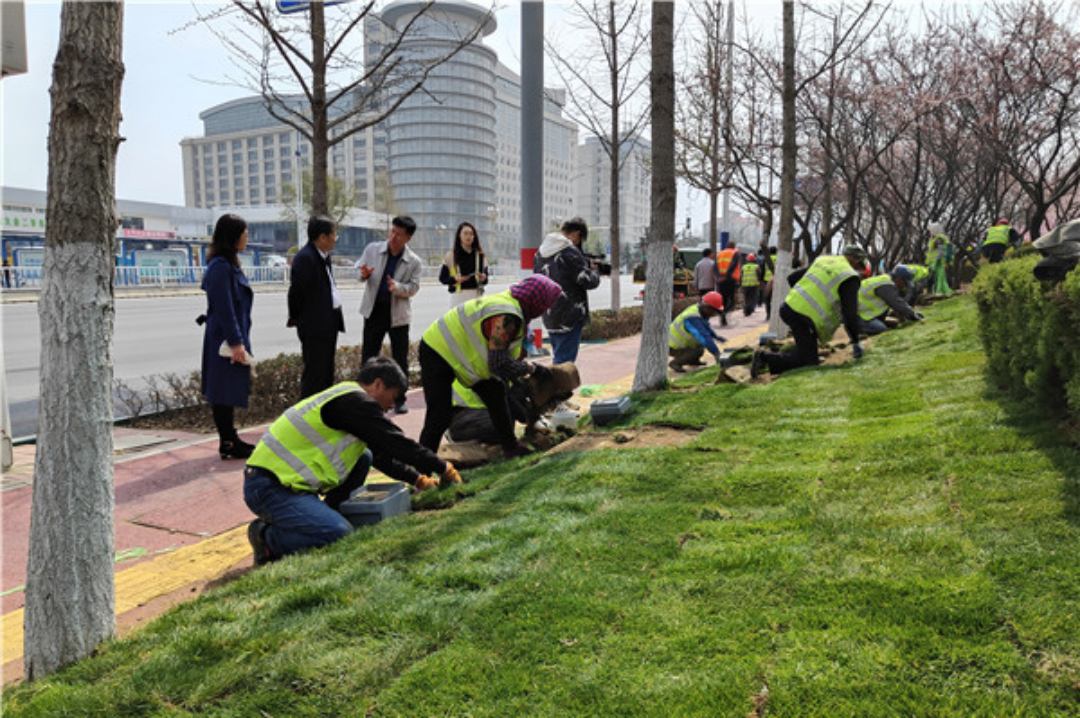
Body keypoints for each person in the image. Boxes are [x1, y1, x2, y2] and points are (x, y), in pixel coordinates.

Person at [243, 357, 462, 565]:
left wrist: (418, 479)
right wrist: (442, 467)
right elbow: (395, 442)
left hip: (287, 484)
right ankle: (266, 537)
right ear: (378, 384)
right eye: (393, 397)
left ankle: (328, 513)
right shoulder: (356, 402)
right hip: (270, 487)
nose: (391, 406)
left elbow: (380, 454)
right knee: (338, 534)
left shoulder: (348, 399)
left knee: (363, 457)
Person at [418, 274, 564, 456]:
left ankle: (510, 448)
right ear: (538, 302)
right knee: (438, 415)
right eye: (546, 305)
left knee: (496, 393)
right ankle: (422, 468)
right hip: (437, 350)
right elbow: (499, 363)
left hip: (463, 357)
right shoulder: (508, 317)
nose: (544, 311)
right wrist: (531, 369)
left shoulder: (511, 304)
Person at [751, 245, 868, 377]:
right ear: (855, 260)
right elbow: (850, 314)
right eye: (859, 263)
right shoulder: (849, 276)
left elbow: (792, 278)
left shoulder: (823, 261)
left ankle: (769, 361)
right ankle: (764, 358)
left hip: (789, 307)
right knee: (809, 361)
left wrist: (802, 298)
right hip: (804, 318)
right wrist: (856, 341)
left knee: (808, 352)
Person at [199, 213, 256, 460]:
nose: (247, 238)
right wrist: (235, 342)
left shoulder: (227, 264)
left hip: (229, 335)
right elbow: (225, 308)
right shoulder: (220, 267)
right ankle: (228, 441)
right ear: (233, 236)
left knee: (226, 388)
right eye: (244, 234)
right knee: (223, 390)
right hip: (224, 338)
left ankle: (230, 438)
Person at [357, 216, 423, 414]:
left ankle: (400, 399)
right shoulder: (372, 250)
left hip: (398, 316)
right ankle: (363, 397)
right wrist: (364, 274)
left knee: (400, 359)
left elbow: (414, 288)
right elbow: (359, 272)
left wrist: (397, 287)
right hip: (373, 311)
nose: (393, 236)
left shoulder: (414, 261)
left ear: (408, 238)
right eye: (392, 231)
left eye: (399, 234)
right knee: (369, 356)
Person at [288, 215, 345, 399]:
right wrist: (298, 318)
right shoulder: (305, 258)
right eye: (334, 234)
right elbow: (296, 293)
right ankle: (306, 416)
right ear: (322, 237)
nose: (336, 238)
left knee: (326, 372)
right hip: (314, 326)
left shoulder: (323, 256)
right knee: (314, 374)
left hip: (328, 323)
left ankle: (323, 413)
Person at [534, 217, 600, 364]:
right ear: (577, 234)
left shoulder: (540, 253)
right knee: (565, 363)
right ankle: (559, 387)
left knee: (559, 356)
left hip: (550, 313)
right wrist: (595, 271)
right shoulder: (570, 252)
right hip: (570, 314)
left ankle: (557, 386)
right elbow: (588, 281)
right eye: (581, 239)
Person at [668, 291, 728, 372]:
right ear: (707, 307)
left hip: (681, 344)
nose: (714, 314)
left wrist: (716, 336)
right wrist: (716, 353)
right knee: (698, 349)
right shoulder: (692, 318)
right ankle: (675, 363)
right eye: (714, 311)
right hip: (671, 346)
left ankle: (692, 361)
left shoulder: (699, 311)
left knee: (700, 347)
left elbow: (706, 327)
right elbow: (703, 336)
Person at [857, 268, 923, 336]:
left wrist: (907, 316)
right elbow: (897, 304)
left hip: (865, 314)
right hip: (855, 315)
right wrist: (914, 316)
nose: (904, 286)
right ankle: (857, 331)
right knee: (881, 329)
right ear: (899, 279)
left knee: (892, 324)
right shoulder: (885, 285)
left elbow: (896, 305)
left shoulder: (887, 281)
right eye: (905, 283)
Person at [439, 221, 489, 307]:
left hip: (476, 296)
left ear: (474, 237)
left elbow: (486, 279)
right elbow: (442, 278)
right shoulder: (451, 255)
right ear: (459, 235)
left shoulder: (480, 256)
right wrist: (455, 279)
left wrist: (483, 278)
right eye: (465, 233)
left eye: (471, 234)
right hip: (458, 297)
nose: (468, 236)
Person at [715, 245, 742, 326]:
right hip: (730, 279)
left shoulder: (719, 254)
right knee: (732, 300)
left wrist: (718, 277)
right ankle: (725, 313)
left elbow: (715, 266)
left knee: (722, 300)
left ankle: (722, 317)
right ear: (733, 247)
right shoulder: (735, 253)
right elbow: (733, 265)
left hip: (720, 280)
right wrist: (727, 276)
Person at [924, 222, 954, 296]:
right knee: (939, 276)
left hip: (938, 261)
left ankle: (940, 291)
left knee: (940, 276)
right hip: (935, 261)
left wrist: (936, 261)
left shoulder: (939, 239)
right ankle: (945, 290)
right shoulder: (935, 238)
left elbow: (940, 250)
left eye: (930, 230)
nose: (930, 232)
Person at [762, 246, 777, 320]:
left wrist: (761, 280)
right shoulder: (779, 258)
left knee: (767, 299)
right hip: (776, 280)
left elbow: (762, 270)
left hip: (767, 280)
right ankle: (774, 315)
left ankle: (768, 314)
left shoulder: (766, 259)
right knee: (775, 298)